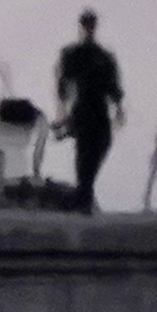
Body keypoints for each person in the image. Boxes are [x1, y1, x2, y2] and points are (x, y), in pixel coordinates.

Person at [54, 11, 125, 201]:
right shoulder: (73, 53)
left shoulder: (103, 56)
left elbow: (113, 85)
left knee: (101, 144)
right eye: (87, 24)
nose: (89, 28)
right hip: (83, 106)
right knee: (85, 150)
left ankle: (85, 189)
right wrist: (62, 111)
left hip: (99, 108)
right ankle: (84, 191)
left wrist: (118, 107)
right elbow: (63, 83)